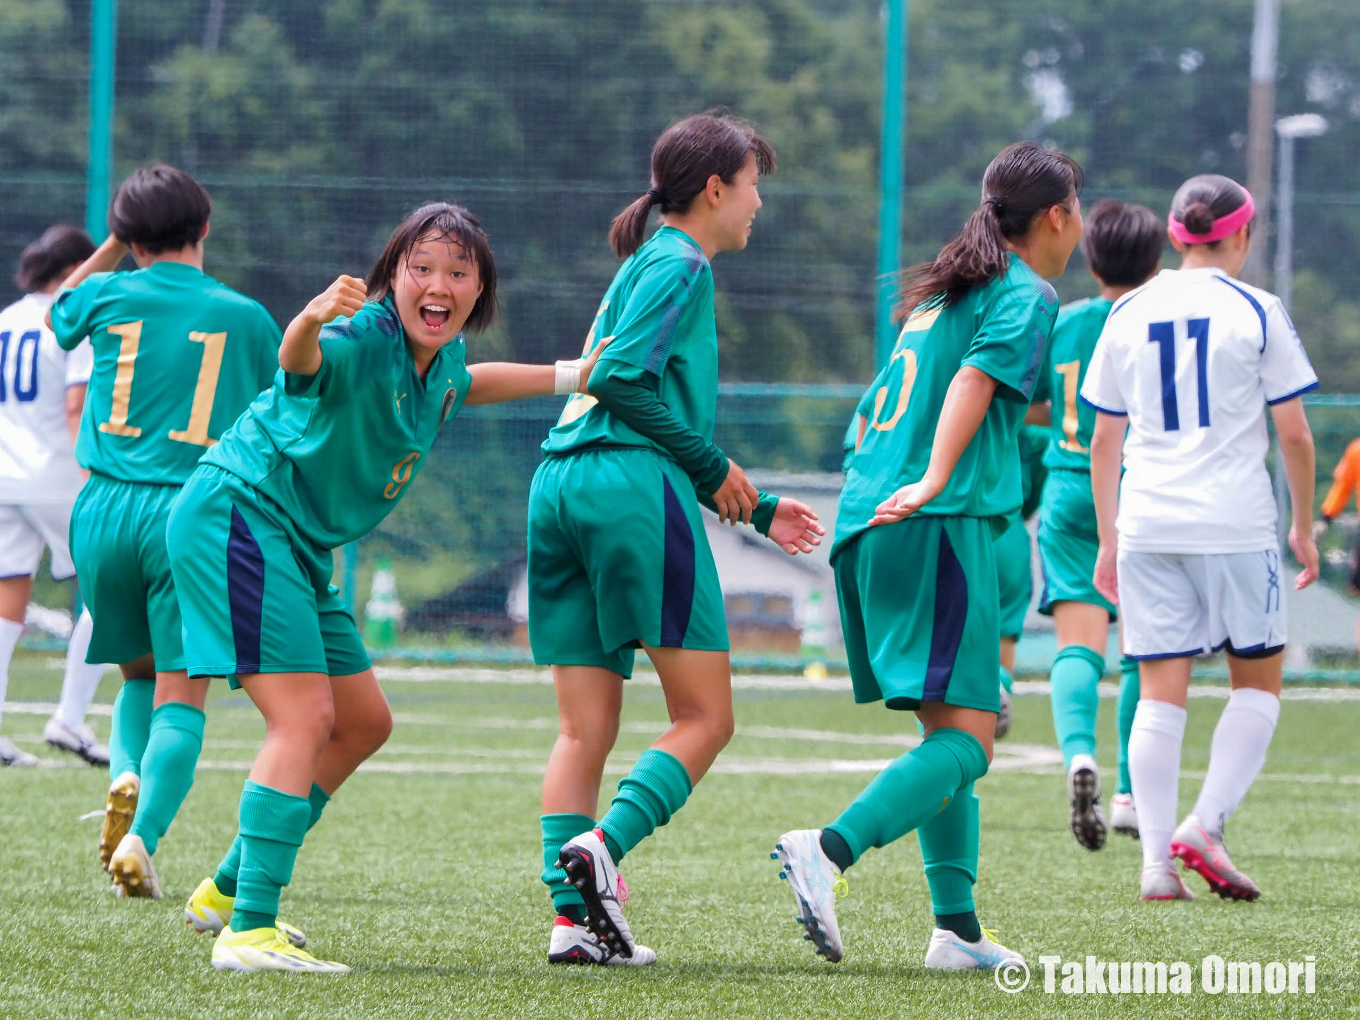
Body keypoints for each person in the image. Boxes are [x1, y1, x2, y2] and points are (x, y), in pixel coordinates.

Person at [168, 200, 612, 973]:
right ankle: (250, 928)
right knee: (303, 717)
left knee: (364, 721)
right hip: (239, 514)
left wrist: (574, 374)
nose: (439, 284)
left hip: (293, 540)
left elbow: (470, 384)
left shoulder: (437, 368)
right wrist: (306, 320)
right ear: (393, 278)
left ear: (479, 291)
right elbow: (301, 361)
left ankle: (227, 891)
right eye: (423, 269)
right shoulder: (365, 332)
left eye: (458, 273)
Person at [774, 141, 1083, 969]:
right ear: (1056, 217)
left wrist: (895, 491)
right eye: (1076, 210)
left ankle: (957, 931)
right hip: (932, 520)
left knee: (951, 731)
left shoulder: (943, 298)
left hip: (877, 517)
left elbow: (875, 413)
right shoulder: (1025, 292)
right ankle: (828, 850)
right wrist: (937, 478)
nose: (1079, 226)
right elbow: (972, 388)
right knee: (973, 740)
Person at [528, 111, 824, 967]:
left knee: (583, 732)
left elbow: (624, 387)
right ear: (715, 189)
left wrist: (755, 505)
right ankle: (603, 850)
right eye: (754, 183)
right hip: (627, 489)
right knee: (706, 716)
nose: (760, 201)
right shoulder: (682, 263)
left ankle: (575, 923)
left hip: (561, 483)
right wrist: (711, 463)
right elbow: (625, 383)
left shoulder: (641, 264)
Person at [1083, 174, 1319, 902]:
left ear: (1178, 237)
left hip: (1147, 522)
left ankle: (1157, 865)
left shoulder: (1127, 311)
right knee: (1259, 683)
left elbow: (1103, 438)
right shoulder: (1258, 309)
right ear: (1241, 235)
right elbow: (1294, 433)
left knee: (1158, 691)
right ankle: (1206, 826)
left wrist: (1109, 538)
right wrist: (1303, 525)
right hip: (1235, 524)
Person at [47, 167, 282, 894]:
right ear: (204, 227)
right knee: (184, 695)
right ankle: (142, 838)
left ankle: (122, 772)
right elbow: (276, 419)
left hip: (102, 508)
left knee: (137, 676)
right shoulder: (244, 316)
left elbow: (58, 310)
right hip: (187, 515)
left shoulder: (109, 292)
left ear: (128, 237)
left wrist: (114, 243)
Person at [1033, 198, 1163, 848]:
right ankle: (1132, 795)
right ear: (1159, 259)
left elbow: (1035, 405)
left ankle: (1078, 754)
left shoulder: (1063, 322)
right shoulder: (1159, 326)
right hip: (1139, 491)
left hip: (1068, 487)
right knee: (1144, 648)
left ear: (1090, 257)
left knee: (1077, 642)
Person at [0, 225, 108, 767]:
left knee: (6, 602)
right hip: (55, 474)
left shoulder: (4, 321)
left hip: (4, 476)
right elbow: (75, 406)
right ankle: (69, 717)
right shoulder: (72, 319)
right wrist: (91, 473)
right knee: (107, 589)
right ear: (73, 272)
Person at [992, 421, 1048, 738]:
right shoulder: (1017, 393)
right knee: (1002, 643)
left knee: (942, 664)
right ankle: (998, 682)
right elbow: (1044, 446)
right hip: (1009, 530)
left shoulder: (932, 382)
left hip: (952, 527)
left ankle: (953, 784)